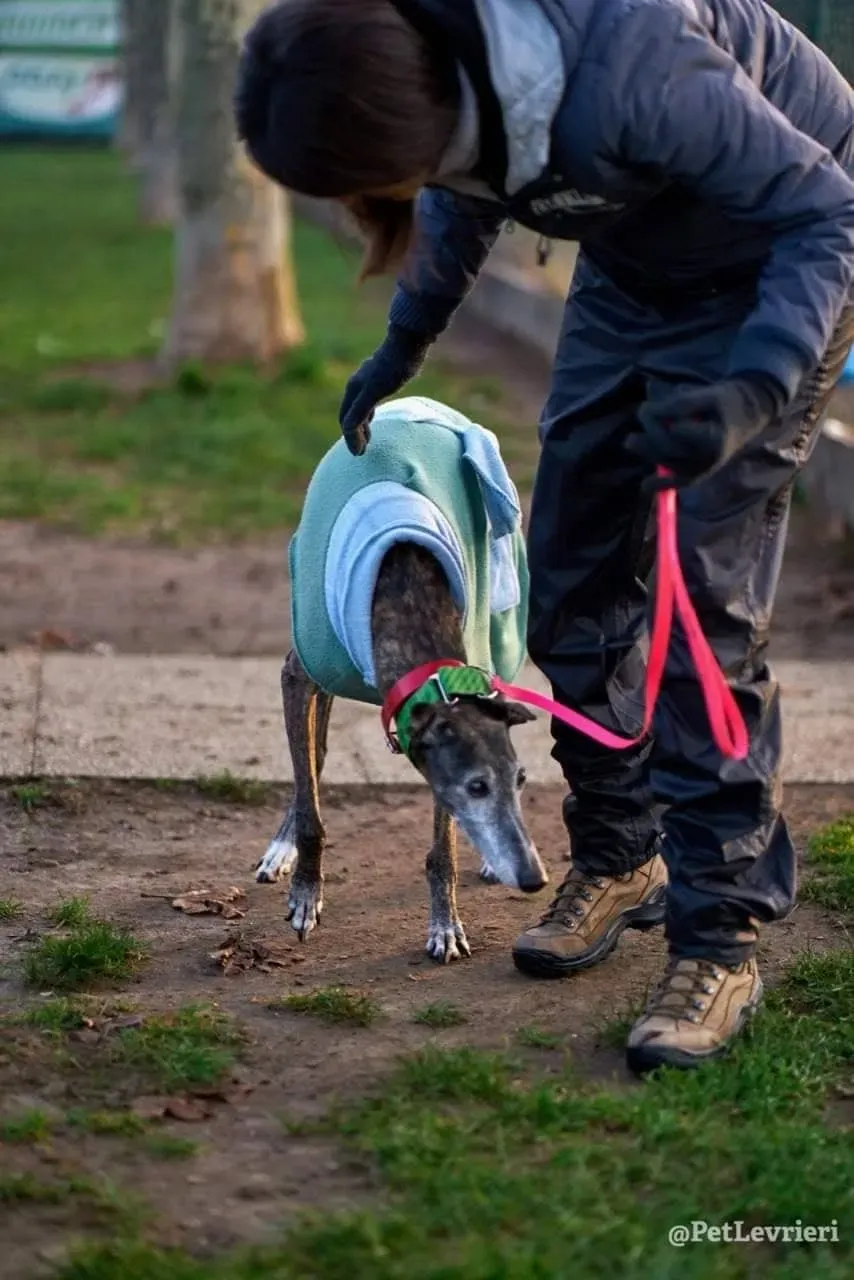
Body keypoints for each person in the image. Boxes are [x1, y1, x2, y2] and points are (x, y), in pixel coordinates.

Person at [235, 0, 854, 1074]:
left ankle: (719, 939)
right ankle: (621, 853)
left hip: (775, 261)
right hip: (632, 265)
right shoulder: (450, 71)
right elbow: (473, 177)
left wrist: (750, 388)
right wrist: (404, 341)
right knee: (563, 582)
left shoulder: (628, 68)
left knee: (696, 612)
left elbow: (825, 214)